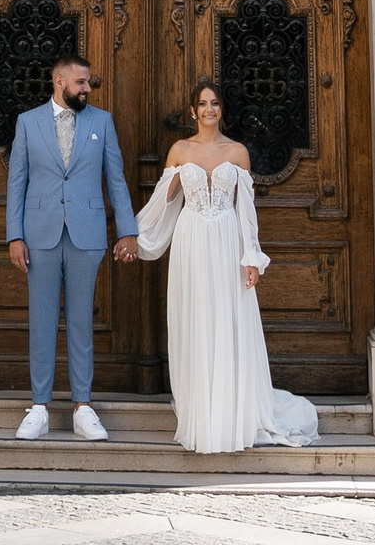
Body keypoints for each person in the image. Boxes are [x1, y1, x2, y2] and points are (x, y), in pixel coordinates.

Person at [134, 78, 319, 454]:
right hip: (191, 242)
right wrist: (135, 235)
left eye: (215, 103)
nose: (209, 110)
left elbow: (246, 210)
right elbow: (163, 203)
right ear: (192, 111)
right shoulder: (179, 150)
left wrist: (251, 257)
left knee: (228, 319)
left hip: (227, 240)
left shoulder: (237, 152)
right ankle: (201, 415)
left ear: (222, 110)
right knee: (196, 320)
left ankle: (231, 415)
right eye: (202, 104)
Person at [5, 47, 138, 442]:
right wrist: (15, 235)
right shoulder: (28, 123)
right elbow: (17, 182)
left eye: (88, 82)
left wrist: (127, 230)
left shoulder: (102, 121)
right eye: (81, 82)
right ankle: (39, 408)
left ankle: (83, 407)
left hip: (87, 234)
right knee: (42, 322)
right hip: (39, 234)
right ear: (59, 81)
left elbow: (116, 178)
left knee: (81, 322)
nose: (87, 88)